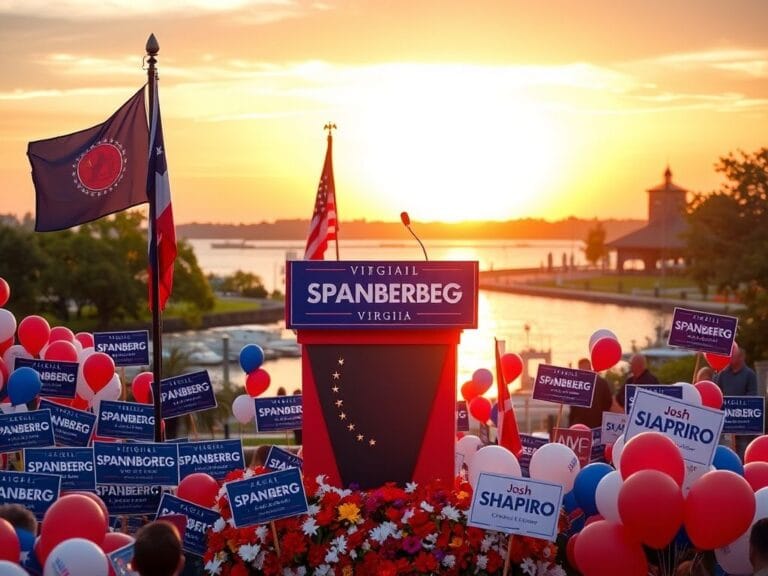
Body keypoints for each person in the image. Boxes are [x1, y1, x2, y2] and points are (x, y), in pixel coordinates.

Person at [716, 346, 758, 458]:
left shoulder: (750, 375)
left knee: (743, 449)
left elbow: (753, 395)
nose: (730, 359)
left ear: (741, 358)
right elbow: (717, 392)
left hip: (743, 422)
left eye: (733, 356)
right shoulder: (723, 374)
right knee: (726, 448)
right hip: (726, 422)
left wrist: (736, 405)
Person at [568, 358, 613, 429]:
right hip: (596, 423)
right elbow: (608, 403)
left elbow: (572, 406)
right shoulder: (601, 382)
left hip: (582, 422)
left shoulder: (577, 384)